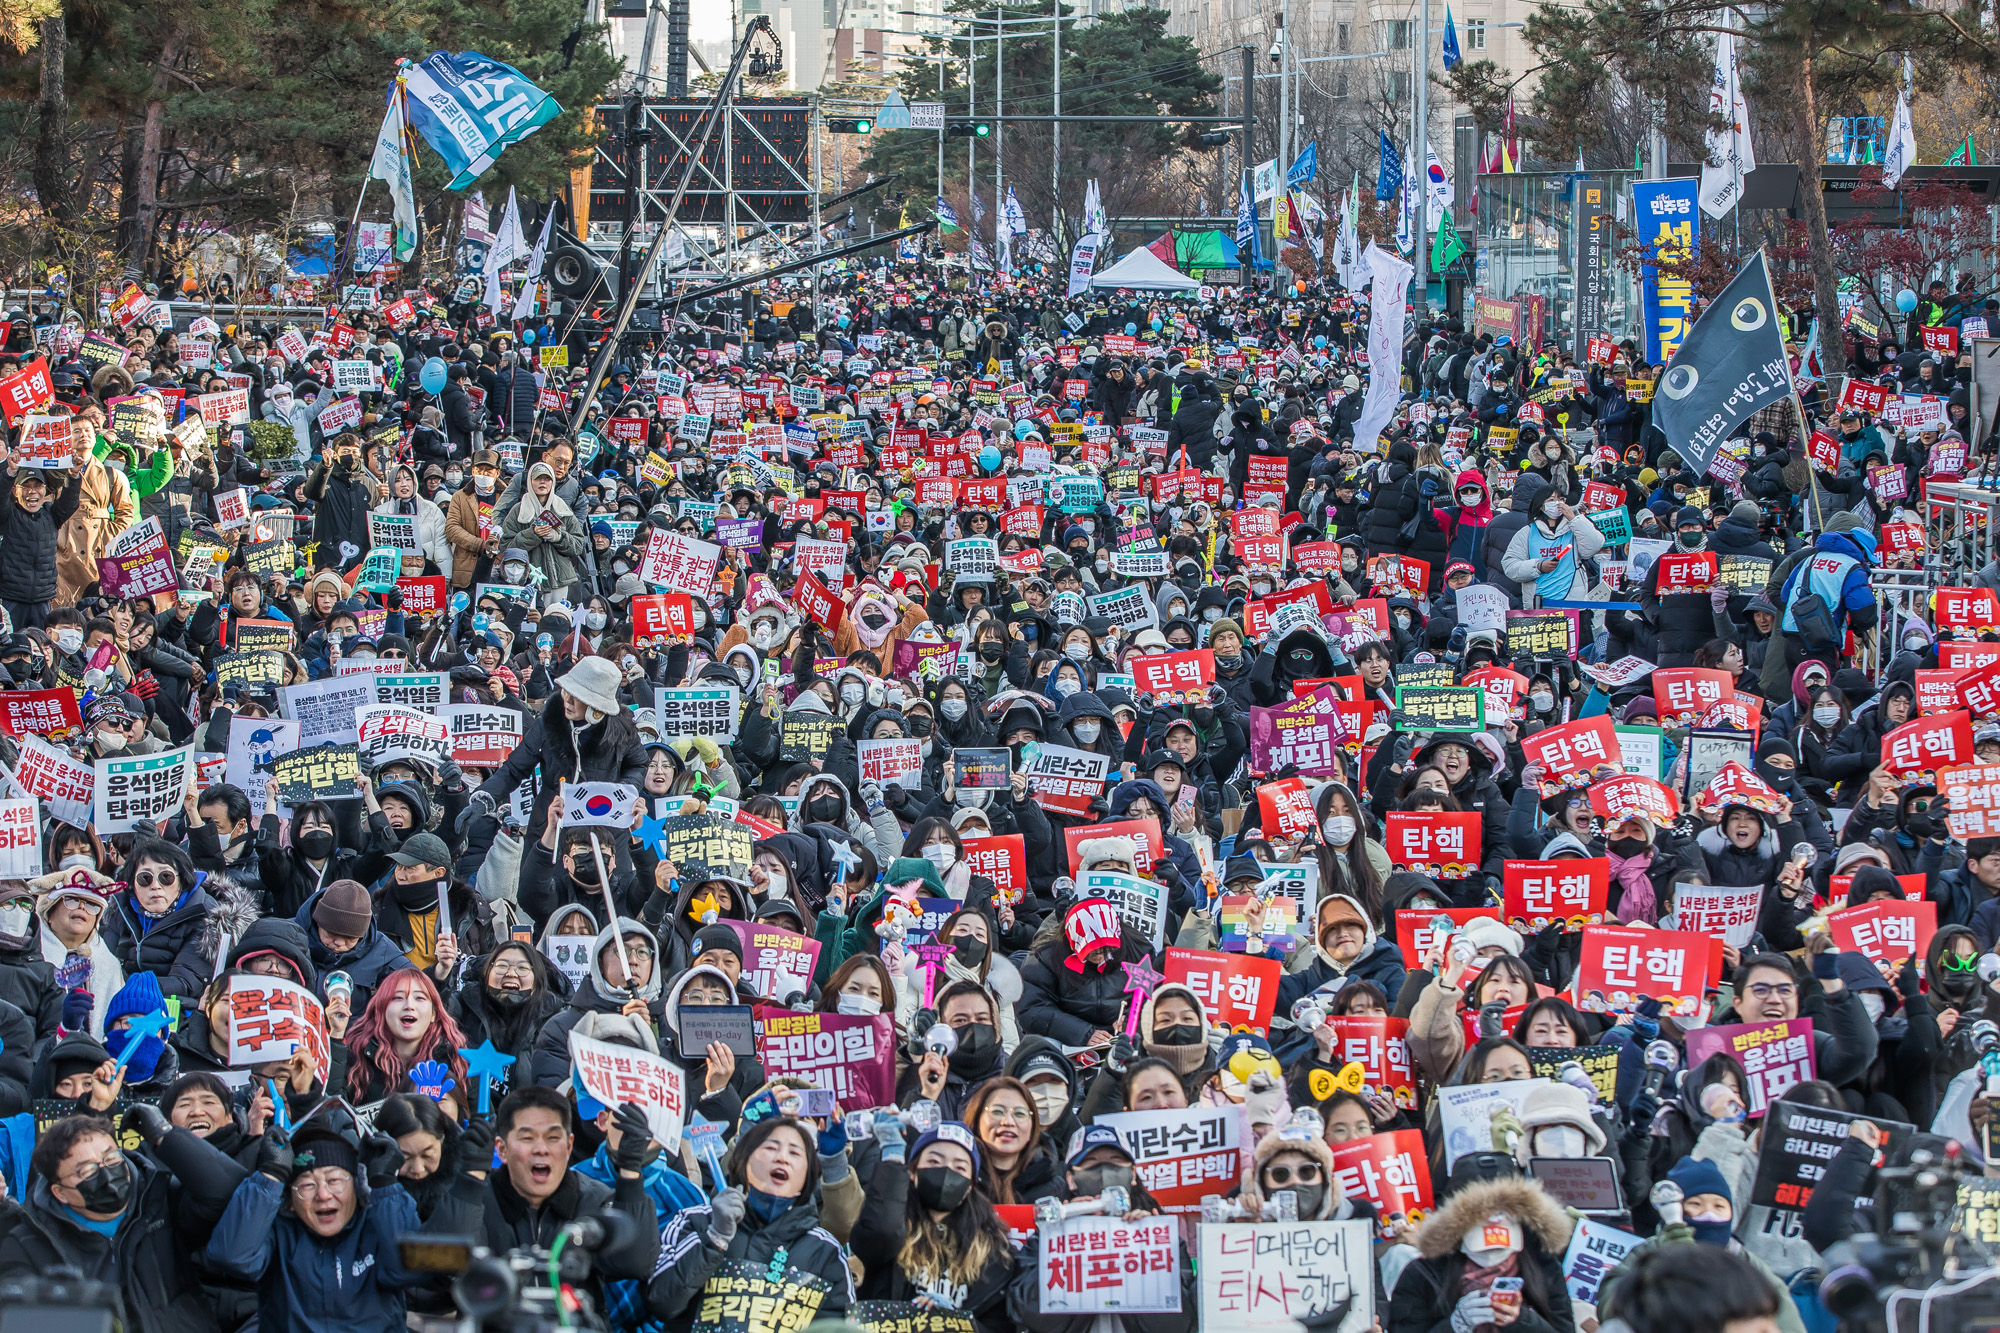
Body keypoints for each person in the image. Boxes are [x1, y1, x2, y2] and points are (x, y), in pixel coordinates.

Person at [201, 1124, 428, 1333]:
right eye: (307, 1185)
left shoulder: (377, 1223)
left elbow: (409, 1270)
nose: (323, 1195)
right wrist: (271, 1174)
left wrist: (386, 1185)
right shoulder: (280, 1232)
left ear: (356, 1187)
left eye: (335, 1180)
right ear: (290, 1198)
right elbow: (232, 1256)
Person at [646, 1114, 854, 1332]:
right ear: (744, 1160)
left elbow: (839, 1325)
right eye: (771, 1148)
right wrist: (715, 1237)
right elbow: (661, 1301)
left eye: (794, 1152)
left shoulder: (824, 1250)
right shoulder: (695, 1221)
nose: (782, 1158)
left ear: (807, 1177)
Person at [850, 1120, 1017, 1331]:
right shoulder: (891, 1225)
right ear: (913, 1171)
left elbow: (999, 1326)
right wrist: (892, 1159)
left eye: (959, 1167)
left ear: (969, 1186)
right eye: (935, 1162)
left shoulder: (995, 1252)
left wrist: (958, 1324)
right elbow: (880, 1231)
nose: (946, 1171)